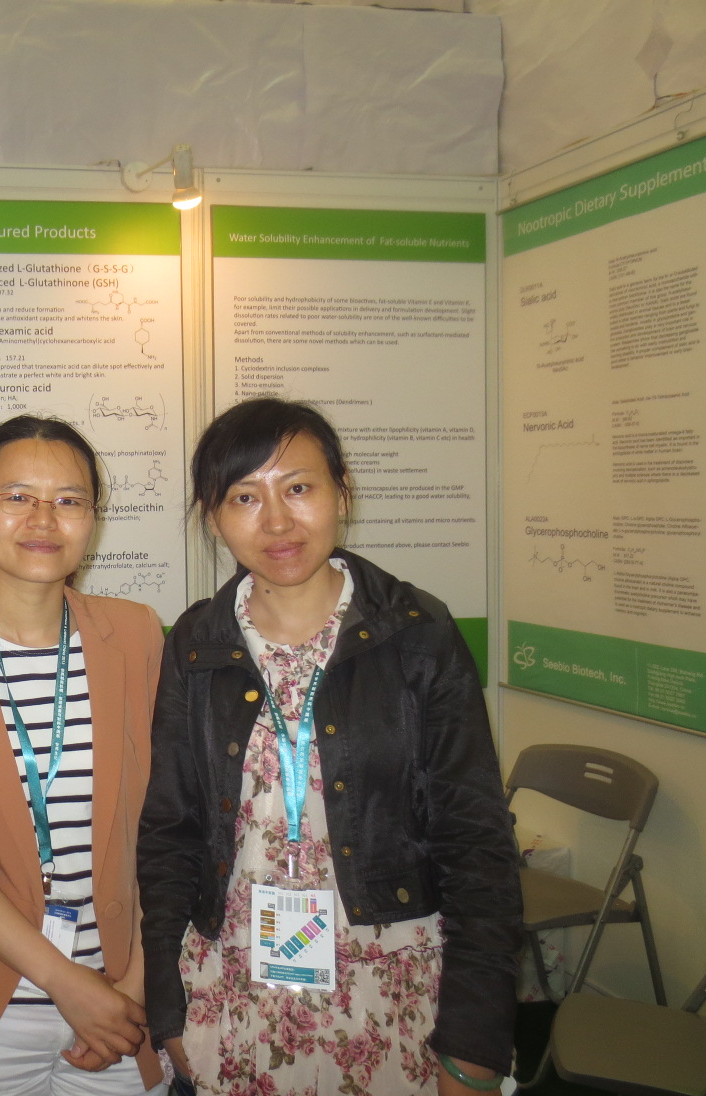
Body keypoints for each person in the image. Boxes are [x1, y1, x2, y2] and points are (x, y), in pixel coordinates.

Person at [137, 397, 520, 1096]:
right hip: (234, 990)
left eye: (299, 488)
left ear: (342, 492)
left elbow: (476, 841)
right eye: (244, 497)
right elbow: (170, 831)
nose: (276, 521)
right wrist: (168, 1005)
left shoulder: (417, 632)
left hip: (392, 989)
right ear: (213, 516)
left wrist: (475, 1040)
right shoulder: (196, 642)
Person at [0, 415, 167, 1096]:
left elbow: (163, 825)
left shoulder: (135, 634)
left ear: (93, 517)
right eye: (17, 497)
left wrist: (132, 990)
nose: (43, 519)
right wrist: (65, 982)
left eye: (69, 500)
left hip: (119, 1005)